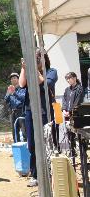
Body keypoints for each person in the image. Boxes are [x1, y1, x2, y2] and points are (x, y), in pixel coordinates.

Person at [17, 50, 58, 187]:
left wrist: (35, 69)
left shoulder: (51, 71)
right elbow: (22, 84)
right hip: (30, 110)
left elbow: (45, 84)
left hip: (46, 111)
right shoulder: (30, 72)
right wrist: (24, 68)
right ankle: (35, 174)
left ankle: (50, 173)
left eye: (38, 58)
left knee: (47, 142)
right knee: (32, 144)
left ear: (44, 59)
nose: (36, 61)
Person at [5, 72, 25, 143]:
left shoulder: (22, 88)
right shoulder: (10, 89)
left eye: (14, 78)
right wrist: (9, 93)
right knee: (14, 131)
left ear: (18, 79)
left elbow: (23, 98)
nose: (13, 80)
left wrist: (14, 93)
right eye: (11, 79)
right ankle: (17, 147)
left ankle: (27, 148)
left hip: (21, 111)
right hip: (13, 112)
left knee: (24, 130)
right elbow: (6, 100)